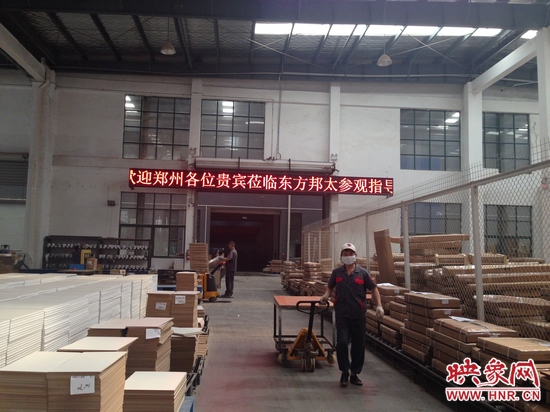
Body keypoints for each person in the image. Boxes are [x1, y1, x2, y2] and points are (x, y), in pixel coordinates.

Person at [320, 242, 384, 387]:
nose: (348, 256)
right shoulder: (337, 273)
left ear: (355, 256)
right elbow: (330, 286)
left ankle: (355, 373)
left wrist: (379, 305)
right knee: (342, 342)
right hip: (342, 314)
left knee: (358, 345)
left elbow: (374, 289)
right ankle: (344, 371)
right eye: (345, 254)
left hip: (358, 315)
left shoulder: (363, 273)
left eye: (350, 254)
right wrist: (326, 295)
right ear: (341, 256)